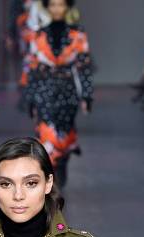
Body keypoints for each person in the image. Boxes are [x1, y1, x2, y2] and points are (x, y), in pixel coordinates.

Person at [26, 0, 92, 188]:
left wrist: (87, 94)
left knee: (65, 130)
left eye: (60, 5)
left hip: (67, 89)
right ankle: (51, 173)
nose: (56, 9)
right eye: (53, 5)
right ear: (47, 7)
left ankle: (61, 162)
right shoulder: (38, 35)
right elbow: (32, 66)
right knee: (46, 131)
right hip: (44, 88)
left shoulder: (78, 34)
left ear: (67, 7)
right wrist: (30, 96)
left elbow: (84, 66)